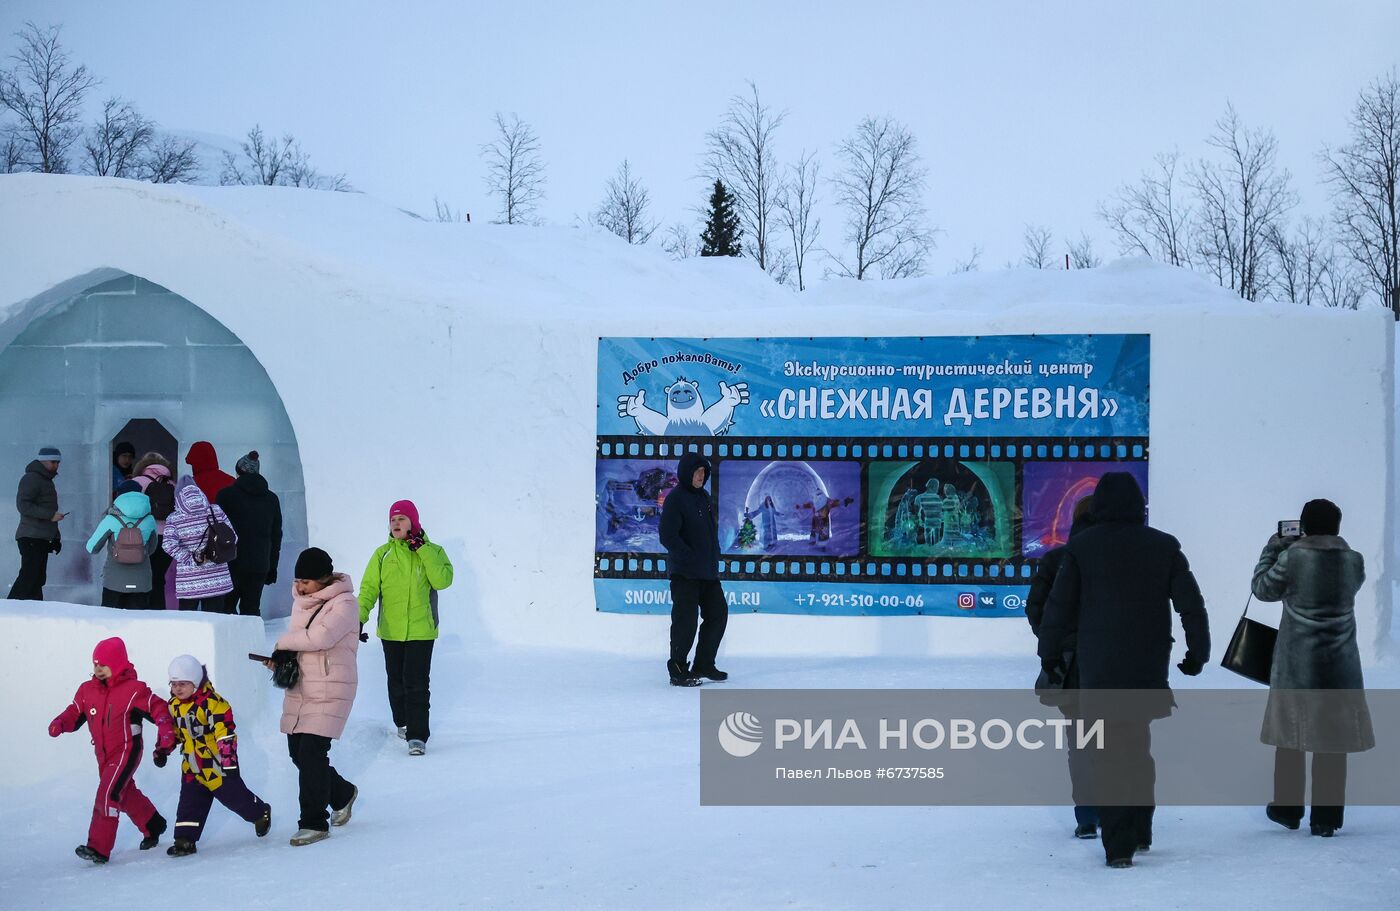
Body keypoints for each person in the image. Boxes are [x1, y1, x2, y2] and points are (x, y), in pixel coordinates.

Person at [1037, 472, 1209, 869]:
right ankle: (1141, 828)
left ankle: (1118, 846)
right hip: (1147, 666)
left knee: (1107, 752)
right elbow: (1191, 605)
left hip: (1099, 667)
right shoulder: (1163, 547)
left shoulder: (1083, 548)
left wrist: (1049, 654)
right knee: (1137, 748)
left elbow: (1059, 609)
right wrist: (1197, 652)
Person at [1252, 498, 1373, 838]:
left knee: (1291, 736)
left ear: (1304, 526)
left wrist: (1273, 548)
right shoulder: (1354, 562)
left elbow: (1262, 589)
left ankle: (1288, 809)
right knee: (1332, 742)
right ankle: (1327, 818)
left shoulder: (1293, 559)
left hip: (1298, 665)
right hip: (1340, 664)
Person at [48, 637, 176, 864]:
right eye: (95, 664)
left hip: (127, 750)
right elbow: (74, 712)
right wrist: (61, 722)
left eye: (104, 665)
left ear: (117, 664)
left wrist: (165, 736)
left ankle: (99, 847)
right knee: (124, 793)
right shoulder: (87, 691)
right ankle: (153, 824)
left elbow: (159, 709)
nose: (98, 669)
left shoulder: (134, 691)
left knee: (108, 793)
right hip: (103, 754)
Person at [271, 547, 360, 846]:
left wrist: (282, 644)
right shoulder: (303, 603)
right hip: (304, 686)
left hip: (332, 685)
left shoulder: (345, 603)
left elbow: (321, 638)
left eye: (306, 581)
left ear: (323, 579)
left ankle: (313, 822)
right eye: (297, 580)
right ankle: (342, 793)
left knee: (311, 753)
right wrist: (281, 659)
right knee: (298, 753)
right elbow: (302, 644)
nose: (299, 587)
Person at [1025, 494, 1098, 839]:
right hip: (1115, 662)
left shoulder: (1056, 559)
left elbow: (1036, 610)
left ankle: (1087, 816)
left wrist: (1057, 644)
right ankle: (1120, 815)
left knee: (1081, 742)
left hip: (1070, 667)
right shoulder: (1122, 561)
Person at [358, 500, 454, 755]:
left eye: (402, 519)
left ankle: (418, 735)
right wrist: (358, 618)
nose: (396, 523)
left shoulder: (433, 551)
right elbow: (368, 589)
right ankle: (402, 721)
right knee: (396, 681)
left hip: (422, 630)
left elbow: (442, 580)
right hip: (391, 630)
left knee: (417, 682)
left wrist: (422, 549)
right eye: (392, 520)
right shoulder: (382, 554)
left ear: (414, 522)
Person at [156, 654, 272, 856]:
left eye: (183, 684)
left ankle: (260, 812)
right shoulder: (174, 706)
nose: (177, 689)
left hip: (216, 765)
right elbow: (174, 732)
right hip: (192, 766)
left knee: (236, 798)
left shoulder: (213, 704)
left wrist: (229, 762)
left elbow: (224, 734)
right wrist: (163, 749)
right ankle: (185, 839)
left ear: (195, 682)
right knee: (189, 803)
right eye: (174, 684)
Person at [658, 452, 727, 686]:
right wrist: (687, 557)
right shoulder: (675, 498)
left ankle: (704, 663)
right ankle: (678, 668)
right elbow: (667, 536)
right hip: (685, 574)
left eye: (703, 472)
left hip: (707, 573)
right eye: (697, 472)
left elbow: (709, 533)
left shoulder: (704, 497)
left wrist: (713, 556)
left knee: (718, 614)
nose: (701, 476)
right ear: (686, 473)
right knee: (685, 621)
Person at [216, 450, 283, 617]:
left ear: (238, 471)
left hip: (230, 563)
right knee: (251, 610)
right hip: (259, 563)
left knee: (225, 611)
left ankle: (227, 643)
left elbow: (216, 531)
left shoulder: (225, 495)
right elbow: (276, 536)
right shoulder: (271, 499)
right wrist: (272, 567)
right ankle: (252, 643)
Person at [163, 476, 237, 612]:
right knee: (215, 624)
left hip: (190, 582)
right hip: (217, 580)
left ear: (178, 497)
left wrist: (190, 559)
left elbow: (168, 544)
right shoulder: (215, 510)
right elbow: (233, 537)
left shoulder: (174, 518)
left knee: (189, 626)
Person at [85, 487, 159, 608]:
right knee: (137, 623)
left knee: (111, 622)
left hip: (114, 581)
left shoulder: (111, 520)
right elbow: (152, 549)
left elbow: (92, 548)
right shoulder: (149, 520)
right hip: (141, 581)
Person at [10, 446, 67, 600]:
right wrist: (50, 516)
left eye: (58, 463)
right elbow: (23, 505)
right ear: (42, 461)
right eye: (53, 462)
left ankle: (34, 612)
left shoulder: (45, 481)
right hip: (30, 536)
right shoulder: (32, 478)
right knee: (29, 576)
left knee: (37, 578)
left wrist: (55, 538)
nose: (56, 466)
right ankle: (10, 610)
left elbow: (49, 512)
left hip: (40, 537)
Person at [130, 453, 177, 609]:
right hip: (167, 537)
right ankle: (158, 613)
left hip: (144, 535)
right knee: (158, 577)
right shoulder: (173, 484)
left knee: (141, 576)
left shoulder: (136, 482)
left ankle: (140, 612)